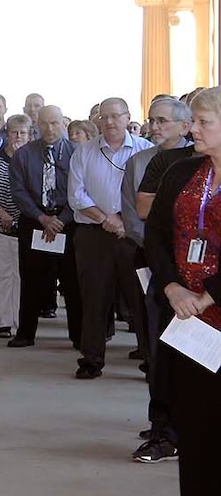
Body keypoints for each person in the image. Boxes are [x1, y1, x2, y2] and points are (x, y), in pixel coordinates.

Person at [141, 86, 221, 496]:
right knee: (195, 419)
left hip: (211, 308)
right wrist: (173, 288)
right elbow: (155, 234)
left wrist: (207, 296)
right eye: (192, 121)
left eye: (203, 122)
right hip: (186, 317)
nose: (192, 129)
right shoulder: (181, 171)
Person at [126, 95, 194, 463]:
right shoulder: (167, 164)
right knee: (165, 353)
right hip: (171, 274)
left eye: (203, 121)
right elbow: (145, 213)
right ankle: (164, 431)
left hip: (209, 281)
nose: (156, 127)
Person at [68, 96, 152, 379]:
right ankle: (91, 359)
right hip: (94, 235)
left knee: (141, 299)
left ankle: (151, 360)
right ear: (97, 120)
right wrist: (107, 219)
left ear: (128, 118)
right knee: (94, 299)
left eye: (116, 116)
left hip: (134, 236)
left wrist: (125, 222)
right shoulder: (84, 152)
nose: (110, 122)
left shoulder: (146, 151)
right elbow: (76, 195)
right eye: (105, 117)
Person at [8, 105, 79, 349]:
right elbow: (18, 191)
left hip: (67, 222)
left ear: (63, 124)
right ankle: (25, 333)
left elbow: (80, 190)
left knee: (72, 282)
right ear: (37, 125)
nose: (49, 128)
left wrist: (63, 219)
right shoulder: (24, 155)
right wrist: (42, 218)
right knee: (31, 279)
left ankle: (78, 336)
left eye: (54, 123)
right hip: (34, 221)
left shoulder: (76, 153)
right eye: (45, 123)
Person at [0, 114, 31, 339]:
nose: (18, 136)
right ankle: (4, 322)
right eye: (14, 132)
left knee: (21, 274)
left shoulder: (33, 160)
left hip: (26, 224)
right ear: (6, 133)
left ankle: (21, 321)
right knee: (2, 273)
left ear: (30, 135)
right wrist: (1, 213)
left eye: (23, 132)